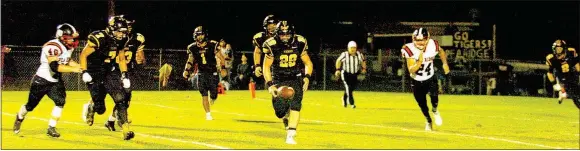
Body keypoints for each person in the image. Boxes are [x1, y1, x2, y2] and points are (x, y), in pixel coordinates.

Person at [13, 23, 82, 137]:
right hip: (42, 80)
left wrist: (79, 66)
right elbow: (55, 67)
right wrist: (74, 69)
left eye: (73, 38)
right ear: (61, 37)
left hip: (55, 80)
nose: (72, 41)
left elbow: (67, 61)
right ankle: (19, 117)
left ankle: (51, 127)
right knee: (30, 106)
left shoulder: (68, 47)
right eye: (70, 38)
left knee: (60, 102)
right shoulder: (52, 46)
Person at [80, 15, 134, 140]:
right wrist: (84, 72)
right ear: (111, 29)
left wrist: (124, 74)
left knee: (121, 97)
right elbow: (83, 55)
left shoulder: (121, 40)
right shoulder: (99, 37)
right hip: (94, 72)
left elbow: (121, 58)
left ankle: (126, 130)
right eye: (119, 31)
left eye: (124, 32)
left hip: (110, 70)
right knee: (100, 109)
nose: (121, 34)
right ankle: (92, 107)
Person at [262, 21, 313, 144]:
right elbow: (266, 66)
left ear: (292, 34)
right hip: (279, 78)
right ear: (277, 34)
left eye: (287, 34)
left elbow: (308, 63)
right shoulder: (272, 44)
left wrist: (307, 77)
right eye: (282, 34)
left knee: (296, 103)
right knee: (280, 112)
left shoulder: (299, 42)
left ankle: (291, 133)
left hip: (295, 77)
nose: (285, 37)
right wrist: (270, 84)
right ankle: (284, 116)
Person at [401, 27, 450, 131]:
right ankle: (428, 120)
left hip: (430, 77)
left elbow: (441, 52)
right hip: (416, 80)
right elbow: (411, 70)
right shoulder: (408, 49)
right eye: (417, 40)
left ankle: (435, 110)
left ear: (427, 39)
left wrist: (445, 63)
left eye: (422, 39)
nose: (420, 42)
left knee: (434, 98)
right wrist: (419, 62)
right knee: (422, 104)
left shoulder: (433, 44)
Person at [104, 15, 146, 131]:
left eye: (130, 25)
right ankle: (93, 106)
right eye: (127, 25)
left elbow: (140, 55)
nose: (129, 27)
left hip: (127, 70)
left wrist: (141, 59)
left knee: (126, 98)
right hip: (113, 70)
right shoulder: (114, 38)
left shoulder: (137, 38)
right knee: (115, 97)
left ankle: (111, 120)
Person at [182, 26, 227, 120]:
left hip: (213, 72)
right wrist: (186, 70)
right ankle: (208, 114)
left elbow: (221, 57)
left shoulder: (212, 44)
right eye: (197, 35)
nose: (199, 37)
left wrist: (223, 68)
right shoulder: (192, 47)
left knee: (214, 94)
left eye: (201, 35)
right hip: (201, 73)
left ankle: (213, 98)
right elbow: (190, 60)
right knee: (204, 93)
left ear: (205, 35)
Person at [546, 39, 580, 109]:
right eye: (556, 49)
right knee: (573, 94)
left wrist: (579, 73)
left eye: (560, 49)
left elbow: (577, 63)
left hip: (572, 73)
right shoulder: (551, 58)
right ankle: (563, 92)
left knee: (575, 90)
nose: (558, 51)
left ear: (564, 48)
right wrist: (554, 84)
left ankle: (562, 93)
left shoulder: (571, 52)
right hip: (561, 76)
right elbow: (549, 73)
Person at [335, 41, 367, 108]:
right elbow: (338, 60)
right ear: (348, 48)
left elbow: (363, 61)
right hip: (346, 73)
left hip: (354, 74)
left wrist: (364, 68)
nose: (353, 49)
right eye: (351, 48)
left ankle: (344, 98)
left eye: (354, 48)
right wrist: (338, 70)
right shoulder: (344, 54)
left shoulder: (359, 54)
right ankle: (351, 103)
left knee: (352, 88)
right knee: (348, 88)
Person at [253, 14, 279, 90]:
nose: (271, 27)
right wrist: (257, 66)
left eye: (274, 24)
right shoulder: (261, 38)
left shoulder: (285, 36)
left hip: (284, 64)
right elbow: (257, 52)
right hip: (269, 63)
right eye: (269, 25)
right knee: (270, 85)